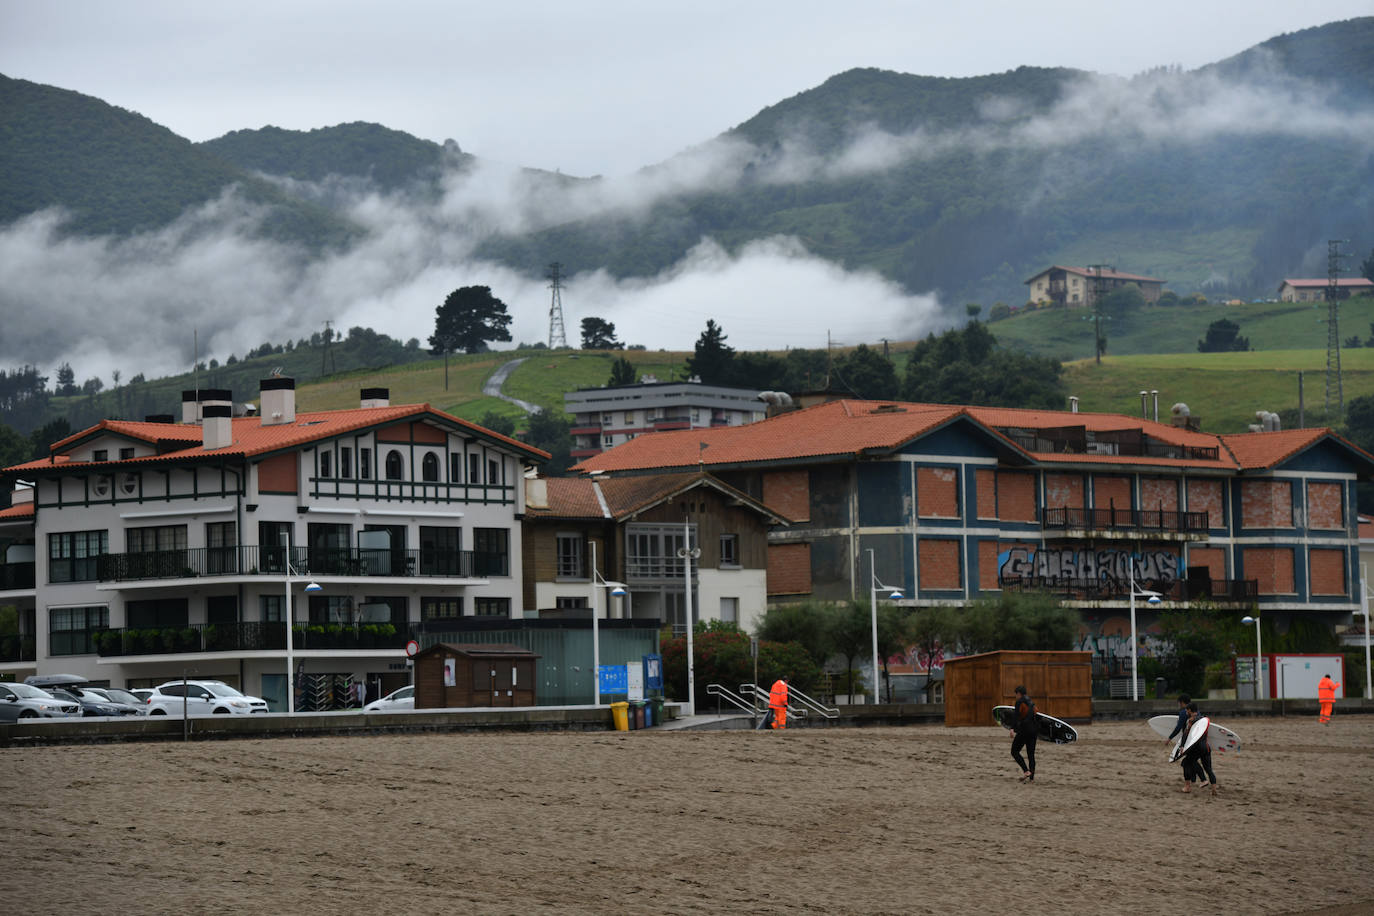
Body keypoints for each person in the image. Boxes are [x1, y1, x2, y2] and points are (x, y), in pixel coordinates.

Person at [1179, 702, 1218, 796]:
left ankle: (1188, 787)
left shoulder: (1190, 721)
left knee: (1186, 762)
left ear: (1190, 710)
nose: (1186, 712)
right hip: (1206, 747)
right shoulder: (1204, 719)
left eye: (1187, 711)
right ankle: (1214, 789)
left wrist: (1182, 746)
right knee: (1208, 769)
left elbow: (1185, 735)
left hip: (1196, 748)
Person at [1009, 685, 1037, 782]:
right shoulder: (1031, 702)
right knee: (1031, 755)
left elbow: (1016, 715)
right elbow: (1036, 714)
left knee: (1014, 751)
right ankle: (1032, 778)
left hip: (1024, 730)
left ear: (1019, 694)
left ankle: (1026, 771)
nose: (1016, 696)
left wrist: (1012, 728)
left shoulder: (1019, 702)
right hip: (1034, 731)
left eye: (1016, 694)